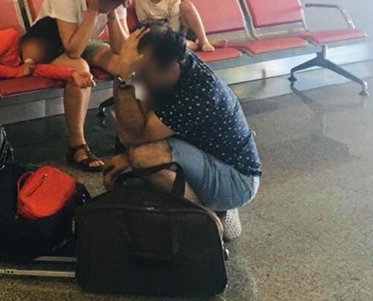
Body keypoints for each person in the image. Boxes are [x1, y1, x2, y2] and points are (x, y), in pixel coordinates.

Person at [104, 26, 261, 240]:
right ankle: (203, 205)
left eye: (142, 73)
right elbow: (135, 123)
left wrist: (123, 78)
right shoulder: (166, 64)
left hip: (236, 180)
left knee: (144, 157)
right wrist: (124, 156)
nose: (137, 77)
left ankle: (206, 221)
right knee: (119, 177)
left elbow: (131, 136)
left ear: (172, 69)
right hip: (201, 153)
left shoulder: (198, 91)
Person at [25, 0, 132, 172]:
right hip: (45, 46)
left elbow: (122, 49)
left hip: (84, 42)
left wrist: (112, 15)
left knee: (126, 66)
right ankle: (77, 146)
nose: (110, 7)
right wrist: (92, 12)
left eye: (114, 4)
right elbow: (73, 51)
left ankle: (126, 134)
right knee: (81, 70)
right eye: (107, 4)